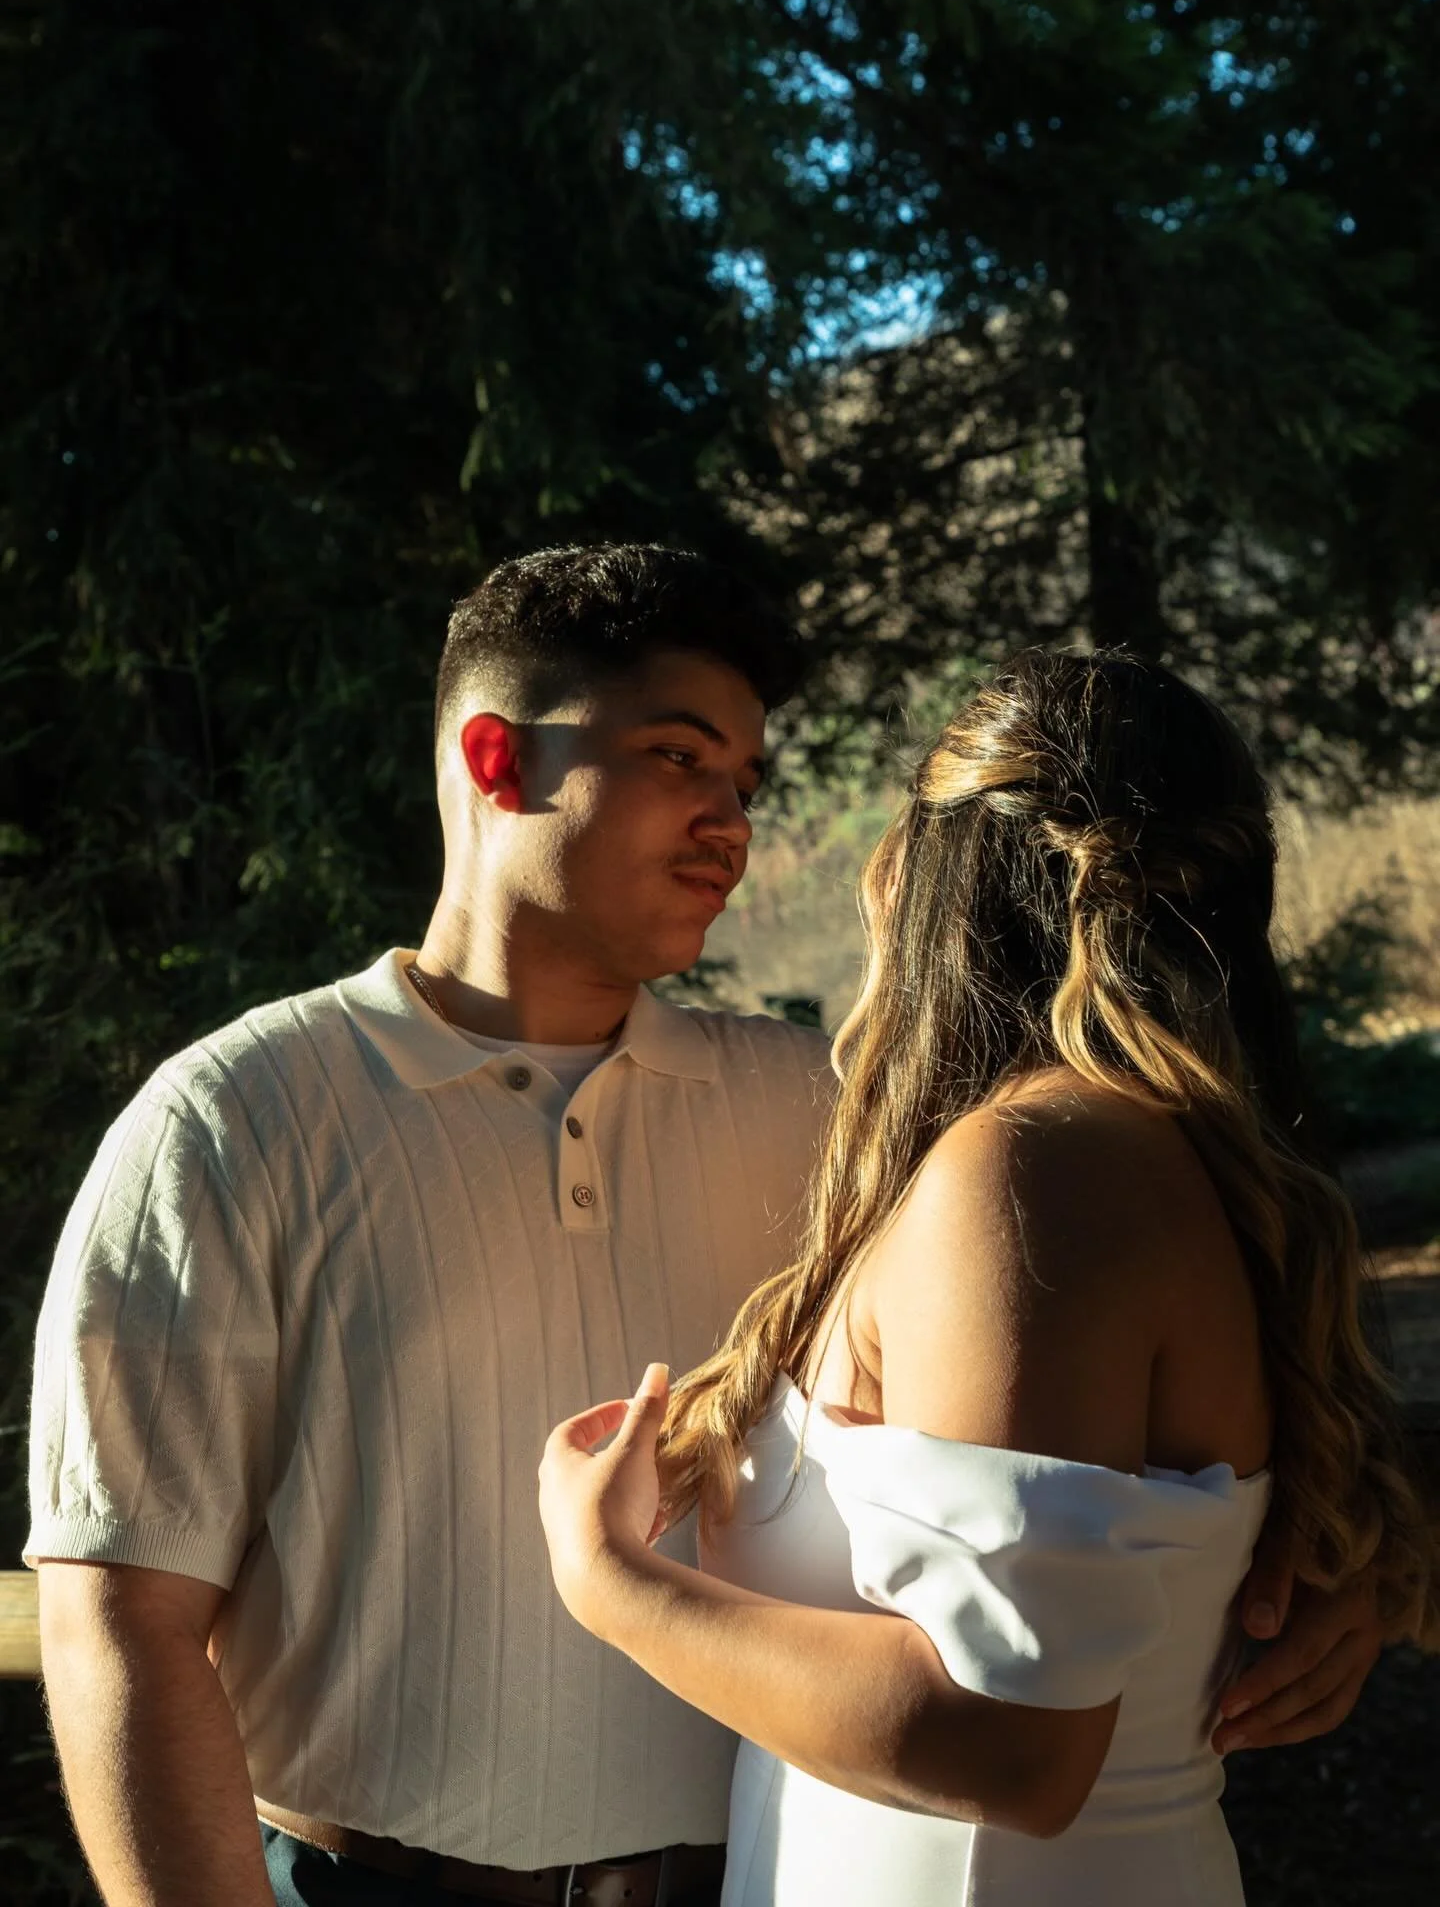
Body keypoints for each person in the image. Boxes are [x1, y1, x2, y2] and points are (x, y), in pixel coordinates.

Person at [26, 555, 1386, 1907]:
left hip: (746, 1876)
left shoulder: (840, 1123)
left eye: (746, 784)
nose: (731, 821)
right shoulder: (228, 1124)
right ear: (496, 758)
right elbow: (121, 1613)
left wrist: (1344, 1550)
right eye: (681, 758)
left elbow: (1140, 1413)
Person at [538, 650, 1437, 1906]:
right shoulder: (1096, 1160)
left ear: (932, 877)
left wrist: (615, 1590)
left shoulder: (1032, 1174)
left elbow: (1012, 1745)